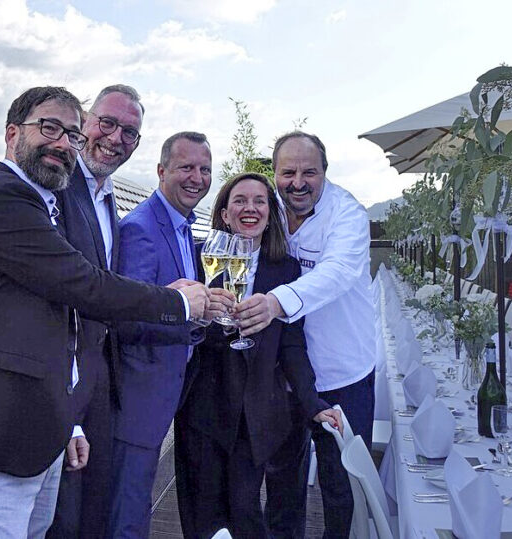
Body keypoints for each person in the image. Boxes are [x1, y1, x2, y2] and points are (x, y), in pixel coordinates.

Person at [0, 87, 209, 539]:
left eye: (70, 134)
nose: (62, 142)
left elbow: (57, 323)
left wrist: (66, 420)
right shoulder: (3, 199)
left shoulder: (43, 203)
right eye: (49, 128)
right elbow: (85, 286)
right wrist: (181, 302)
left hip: (33, 432)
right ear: (12, 133)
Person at [175, 172, 342, 539]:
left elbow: (292, 343)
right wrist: (209, 319)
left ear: (270, 214)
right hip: (205, 408)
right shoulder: (204, 260)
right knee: (203, 517)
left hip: (255, 415)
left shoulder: (286, 269)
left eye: (259, 201)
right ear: (224, 213)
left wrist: (312, 401)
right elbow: (186, 329)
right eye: (239, 200)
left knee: (246, 513)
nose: (249, 208)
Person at [235, 132, 376, 538]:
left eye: (309, 172)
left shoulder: (347, 214)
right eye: (288, 172)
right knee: (283, 484)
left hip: (341, 374)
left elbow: (337, 274)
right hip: (285, 375)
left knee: (340, 487)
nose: (298, 182)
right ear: (275, 174)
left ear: (325, 173)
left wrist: (275, 302)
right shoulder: (270, 208)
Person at [108, 132, 232, 538]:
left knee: (137, 502)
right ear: (161, 171)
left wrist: (201, 313)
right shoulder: (141, 228)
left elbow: (179, 303)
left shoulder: (183, 226)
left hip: (163, 392)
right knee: (127, 510)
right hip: (137, 399)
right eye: (186, 167)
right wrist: (188, 319)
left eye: (204, 169)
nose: (196, 177)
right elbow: (127, 320)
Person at [49, 84, 144, 539]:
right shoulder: (59, 188)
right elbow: (64, 294)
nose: (115, 137)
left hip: (101, 379)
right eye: (107, 122)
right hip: (62, 380)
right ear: (85, 121)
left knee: (93, 511)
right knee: (62, 517)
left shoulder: (110, 200)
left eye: (130, 132)